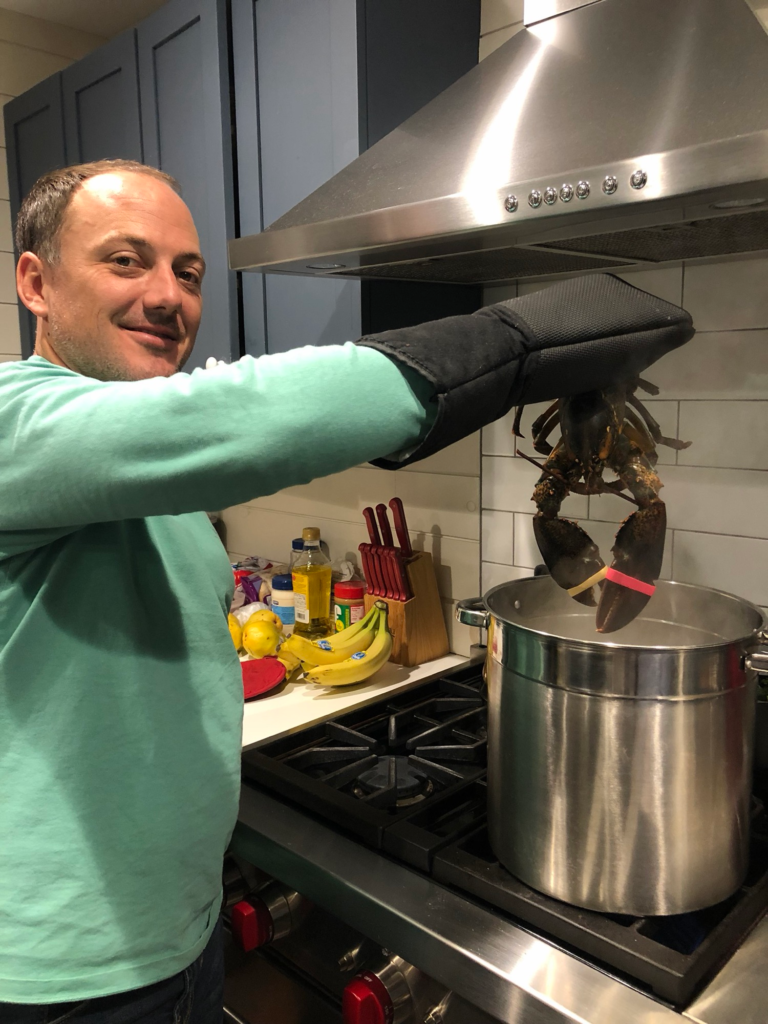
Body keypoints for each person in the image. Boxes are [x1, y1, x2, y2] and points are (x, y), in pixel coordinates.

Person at [0, 159, 694, 1023]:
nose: (168, 296)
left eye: (187, 272)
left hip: (179, 932)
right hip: (70, 976)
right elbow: (255, 413)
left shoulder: (150, 478)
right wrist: (520, 340)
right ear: (36, 281)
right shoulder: (12, 425)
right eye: (125, 261)